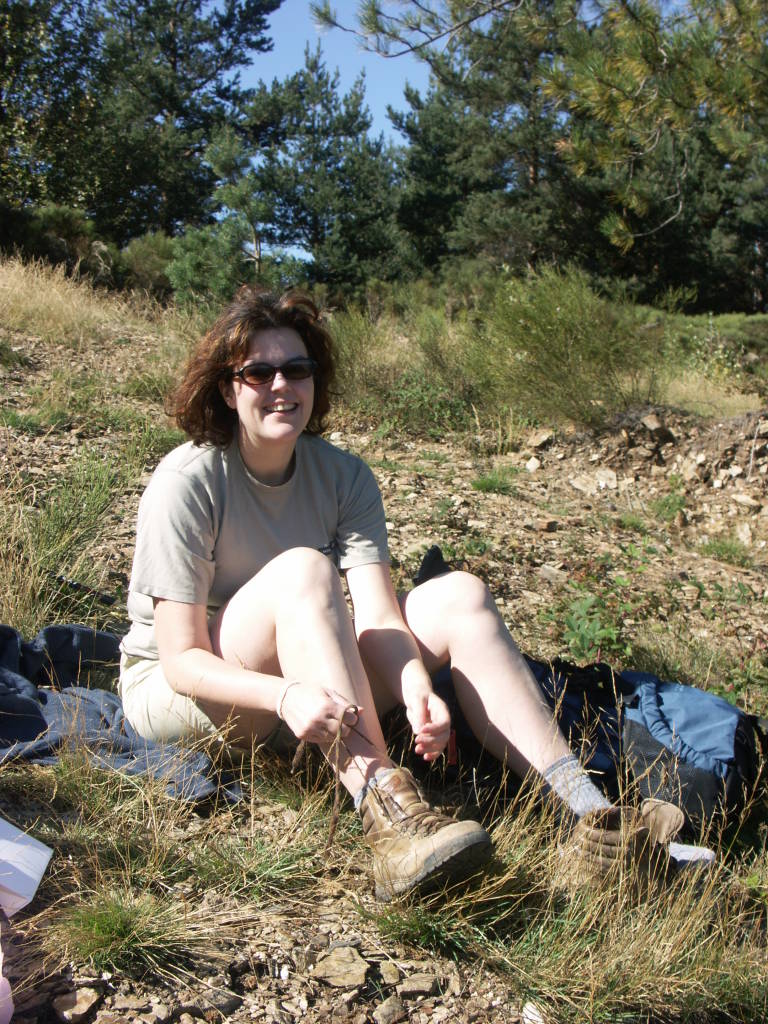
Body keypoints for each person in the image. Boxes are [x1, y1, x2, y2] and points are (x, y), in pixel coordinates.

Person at [118, 287, 629, 902]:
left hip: (308, 689)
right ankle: (391, 815)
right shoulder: (189, 480)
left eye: (297, 369)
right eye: (258, 372)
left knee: (457, 595)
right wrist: (284, 695)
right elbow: (179, 662)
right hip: (189, 698)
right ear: (229, 390)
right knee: (305, 569)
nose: (281, 385)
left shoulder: (344, 476)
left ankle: (595, 819)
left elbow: (381, 613)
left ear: (316, 381)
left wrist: (415, 686)